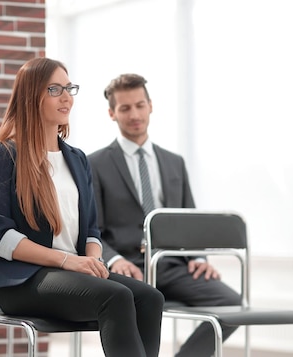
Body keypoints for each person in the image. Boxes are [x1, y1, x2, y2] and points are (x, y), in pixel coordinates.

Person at [0, 57, 164, 357]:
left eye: (69, 88)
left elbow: (91, 230)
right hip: (22, 280)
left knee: (150, 298)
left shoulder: (77, 159)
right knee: (115, 297)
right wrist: (67, 262)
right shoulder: (3, 153)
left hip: (73, 272)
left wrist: (92, 261)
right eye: (54, 89)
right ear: (31, 97)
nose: (66, 97)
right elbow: (0, 239)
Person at [87, 73, 242, 357]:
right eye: (125, 108)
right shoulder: (93, 164)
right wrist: (114, 259)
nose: (134, 114)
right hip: (127, 267)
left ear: (150, 106)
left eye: (139, 105)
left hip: (172, 266)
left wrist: (198, 258)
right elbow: (90, 227)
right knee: (132, 307)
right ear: (112, 113)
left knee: (232, 302)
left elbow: (189, 220)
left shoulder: (174, 162)